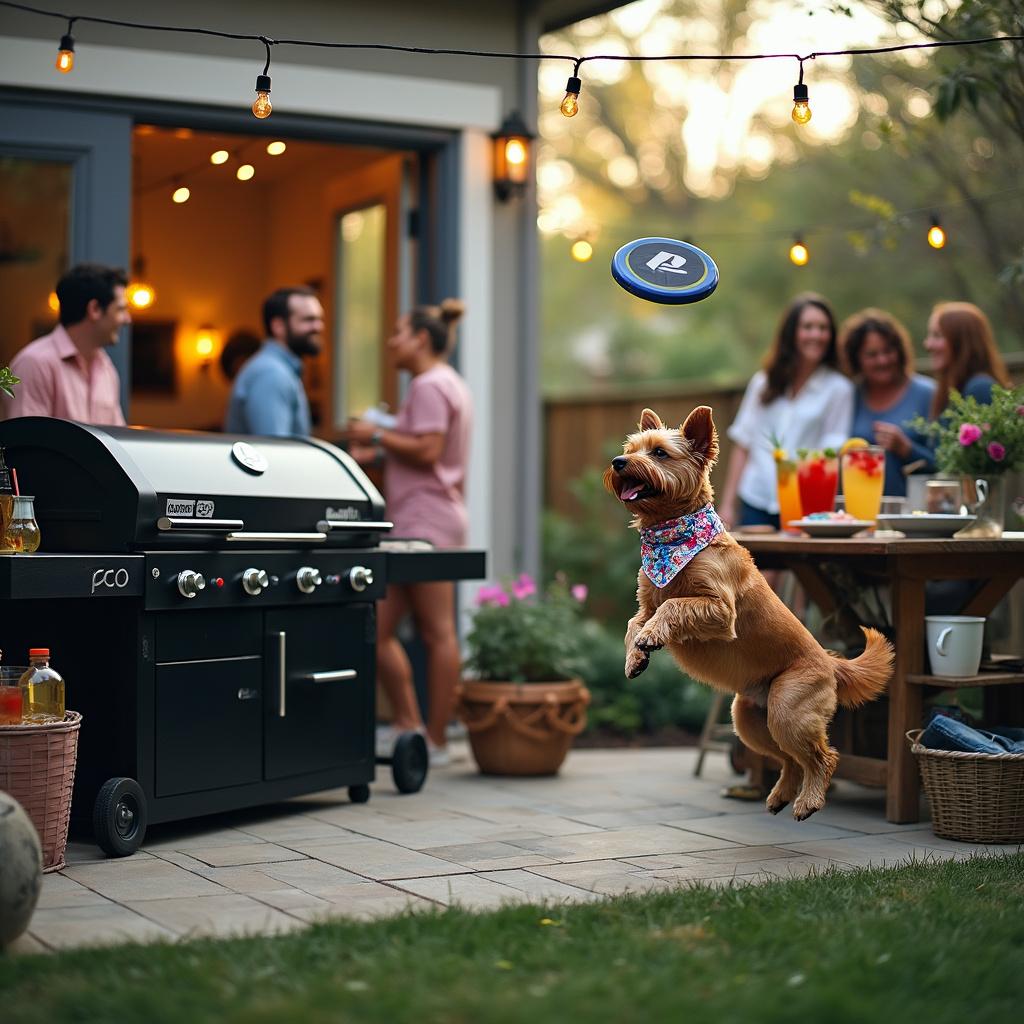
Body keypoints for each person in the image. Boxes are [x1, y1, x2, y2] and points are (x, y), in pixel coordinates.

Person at [341, 299, 472, 766]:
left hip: (425, 520)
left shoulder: (429, 384)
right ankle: (410, 727)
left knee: (435, 633)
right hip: (425, 516)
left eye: (398, 332)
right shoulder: (444, 383)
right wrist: (379, 450)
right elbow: (417, 447)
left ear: (420, 337)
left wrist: (375, 435)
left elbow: (427, 449)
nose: (391, 341)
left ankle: (434, 739)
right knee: (375, 626)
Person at [719, 293, 854, 529]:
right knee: (755, 567)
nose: (817, 335)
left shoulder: (839, 389)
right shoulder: (764, 382)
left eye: (823, 328)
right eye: (808, 327)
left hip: (806, 505)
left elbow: (832, 451)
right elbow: (743, 443)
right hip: (755, 498)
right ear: (792, 333)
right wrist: (728, 505)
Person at [1, 263, 129, 425]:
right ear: (95, 309)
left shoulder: (106, 368)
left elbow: (115, 443)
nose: (127, 319)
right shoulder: (33, 364)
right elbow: (28, 445)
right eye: (120, 309)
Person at [839, 308, 936, 496]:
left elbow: (945, 466)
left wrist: (908, 449)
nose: (882, 360)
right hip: (857, 513)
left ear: (900, 351)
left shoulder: (929, 394)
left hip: (913, 513)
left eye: (888, 351)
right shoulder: (848, 396)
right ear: (856, 359)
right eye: (872, 355)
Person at [224, 287, 323, 435]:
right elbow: (274, 452)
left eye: (320, 319)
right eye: (309, 320)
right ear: (278, 326)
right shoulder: (271, 374)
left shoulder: (277, 369)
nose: (319, 327)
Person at [924, 301, 1011, 416]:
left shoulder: (980, 388)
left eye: (937, 335)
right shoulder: (953, 388)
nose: (927, 344)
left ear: (962, 342)